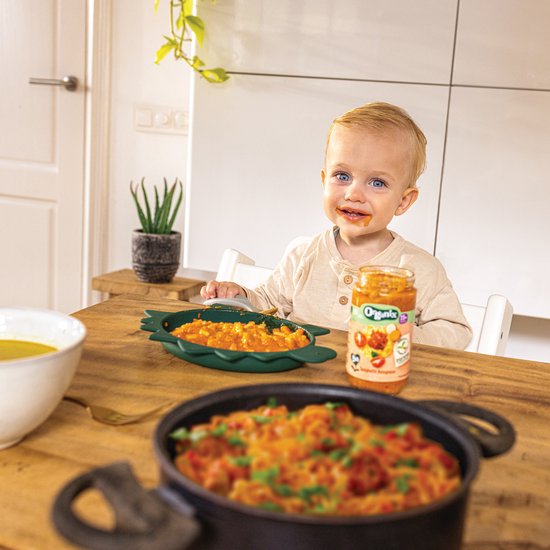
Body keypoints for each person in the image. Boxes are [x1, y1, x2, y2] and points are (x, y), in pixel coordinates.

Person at [201, 102, 472, 349]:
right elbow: (270, 304)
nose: (354, 193)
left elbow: (455, 332)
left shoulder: (418, 269)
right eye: (342, 176)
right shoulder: (303, 253)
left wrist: (400, 334)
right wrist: (241, 294)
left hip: (375, 386)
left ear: (403, 201)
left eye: (377, 183)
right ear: (324, 180)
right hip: (297, 378)